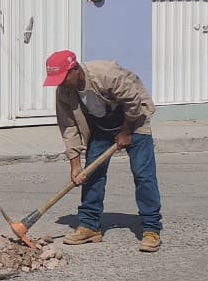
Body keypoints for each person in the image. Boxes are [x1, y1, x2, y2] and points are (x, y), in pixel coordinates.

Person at [42, 50, 164, 252]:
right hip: (102, 126)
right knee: (92, 174)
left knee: (143, 174)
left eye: (63, 78)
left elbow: (133, 103)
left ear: (75, 70)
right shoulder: (64, 92)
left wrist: (125, 132)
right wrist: (75, 165)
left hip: (134, 121)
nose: (61, 83)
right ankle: (90, 226)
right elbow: (68, 127)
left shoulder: (106, 74)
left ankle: (151, 229)